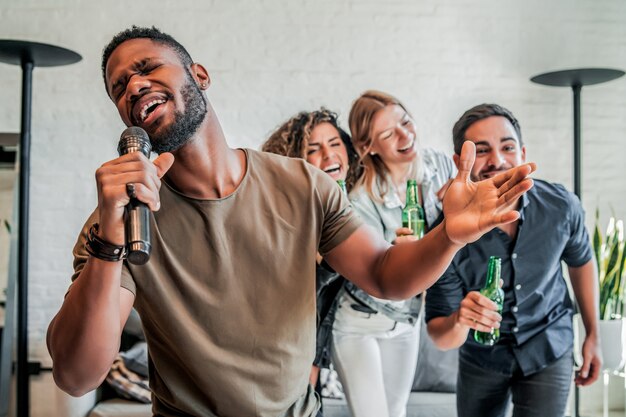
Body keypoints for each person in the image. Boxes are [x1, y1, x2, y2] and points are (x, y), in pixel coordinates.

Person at [46, 26, 535, 417]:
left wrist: (447, 234)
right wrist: (109, 242)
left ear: (199, 74)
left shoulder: (303, 185)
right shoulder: (121, 221)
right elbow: (76, 375)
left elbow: (385, 275)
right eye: (118, 87)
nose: (132, 85)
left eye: (147, 67)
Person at [425, 103, 601, 417]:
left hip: (548, 342)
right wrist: (461, 320)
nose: (497, 161)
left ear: (522, 152)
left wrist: (593, 335)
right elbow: (440, 334)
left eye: (507, 147)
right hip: (481, 357)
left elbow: (581, 262)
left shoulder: (561, 206)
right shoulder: (444, 231)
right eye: (482, 150)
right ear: (459, 162)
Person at [329, 90, 456, 417]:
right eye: (388, 134)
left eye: (405, 122)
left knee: (397, 412)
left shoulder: (439, 166)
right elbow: (372, 274)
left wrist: (452, 207)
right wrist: (398, 260)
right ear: (367, 147)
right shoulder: (360, 200)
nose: (405, 135)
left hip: (405, 321)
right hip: (360, 323)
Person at [261, 108, 360, 414]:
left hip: (316, 356)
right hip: (282, 352)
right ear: (295, 162)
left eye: (335, 143)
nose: (329, 155)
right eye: (314, 149)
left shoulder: (353, 206)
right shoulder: (285, 215)